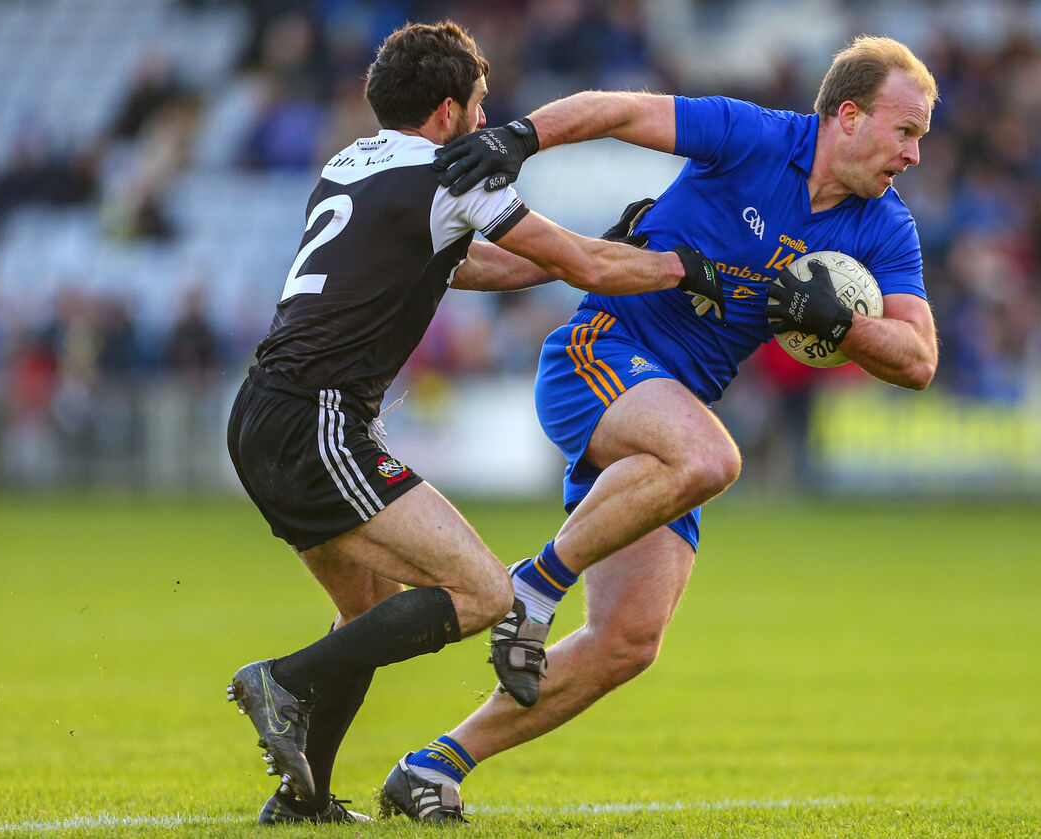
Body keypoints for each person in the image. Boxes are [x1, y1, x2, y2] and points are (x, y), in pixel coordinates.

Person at [381, 35, 940, 822]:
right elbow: (618, 110)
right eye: (905, 130)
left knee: (627, 642)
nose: (914, 154)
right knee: (713, 456)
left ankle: (433, 766)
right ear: (848, 116)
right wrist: (520, 137)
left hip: (668, 416)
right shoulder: (752, 135)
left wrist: (843, 324)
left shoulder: (884, 227)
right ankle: (531, 588)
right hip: (601, 352)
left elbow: (919, 358)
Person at [222, 20, 723, 826]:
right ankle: (285, 680)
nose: (487, 123)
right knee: (485, 592)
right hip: (322, 421)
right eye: (481, 105)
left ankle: (302, 797)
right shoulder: (454, 174)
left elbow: (478, 263)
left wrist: (593, 249)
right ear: (448, 110)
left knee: (368, 605)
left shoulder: (352, 162)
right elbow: (583, 267)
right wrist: (681, 266)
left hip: (263, 412)